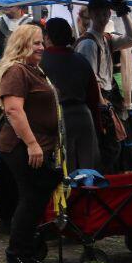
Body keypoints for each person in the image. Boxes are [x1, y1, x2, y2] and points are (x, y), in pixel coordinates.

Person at [0, 24, 62, 263]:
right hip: (22, 146)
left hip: (38, 145)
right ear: (22, 44)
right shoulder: (16, 71)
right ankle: (17, 255)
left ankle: (28, 251)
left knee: (36, 198)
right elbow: (13, 110)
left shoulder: (33, 70)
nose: (41, 48)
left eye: (41, 42)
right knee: (30, 198)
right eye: (35, 43)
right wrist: (32, 143)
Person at [75, 0, 132, 172]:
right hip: (98, 99)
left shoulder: (106, 39)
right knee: (109, 146)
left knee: (113, 145)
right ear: (91, 14)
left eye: (105, 13)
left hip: (106, 97)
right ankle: (102, 181)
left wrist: (124, 13)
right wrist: (102, 104)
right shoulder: (88, 42)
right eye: (98, 13)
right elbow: (90, 78)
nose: (102, 17)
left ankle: (106, 179)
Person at [41, 18, 101, 173]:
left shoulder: (40, 61)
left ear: (47, 36)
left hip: (56, 118)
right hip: (84, 117)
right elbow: (94, 97)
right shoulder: (81, 60)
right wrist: (98, 125)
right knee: (87, 169)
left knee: (64, 169)